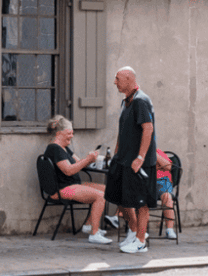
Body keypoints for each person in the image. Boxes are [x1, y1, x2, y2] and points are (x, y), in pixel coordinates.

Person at [107, 66, 157, 254]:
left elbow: (148, 129)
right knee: (121, 198)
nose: (115, 82)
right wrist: (118, 154)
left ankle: (141, 241)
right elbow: (122, 132)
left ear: (128, 79)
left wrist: (140, 157)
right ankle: (134, 231)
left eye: (117, 78)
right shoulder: (126, 102)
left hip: (139, 162)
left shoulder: (141, 101)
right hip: (124, 160)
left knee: (141, 203)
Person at [43, 116, 113, 244]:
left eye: (72, 133)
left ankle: (88, 225)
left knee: (107, 190)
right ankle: (94, 233)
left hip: (71, 184)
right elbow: (68, 170)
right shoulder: (54, 149)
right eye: (69, 133)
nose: (72, 136)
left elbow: (78, 162)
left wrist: (90, 159)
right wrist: (87, 160)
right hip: (61, 189)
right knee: (100, 196)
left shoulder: (64, 147)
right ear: (59, 134)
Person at [155, 149, 178, 239]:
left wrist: (154, 154)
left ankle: (169, 230)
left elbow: (168, 167)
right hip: (146, 182)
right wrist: (159, 166)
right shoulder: (138, 153)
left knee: (167, 196)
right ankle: (135, 230)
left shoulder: (158, 152)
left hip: (162, 181)